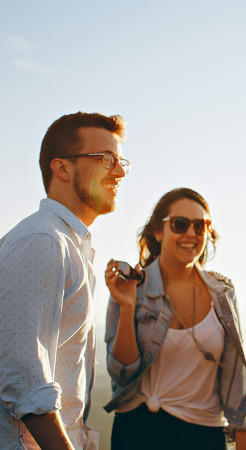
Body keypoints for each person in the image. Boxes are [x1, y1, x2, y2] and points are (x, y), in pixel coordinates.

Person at [0, 112, 128, 449]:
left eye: (120, 160)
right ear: (63, 167)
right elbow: (25, 380)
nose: (120, 171)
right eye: (106, 159)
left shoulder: (70, 244)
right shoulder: (43, 240)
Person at [103, 187, 246, 450]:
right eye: (180, 224)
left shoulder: (222, 293)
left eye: (200, 226)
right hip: (136, 432)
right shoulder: (130, 287)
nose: (190, 234)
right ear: (158, 231)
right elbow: (122, 372)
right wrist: (127, 307)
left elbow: (235, 382)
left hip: (203, 435)